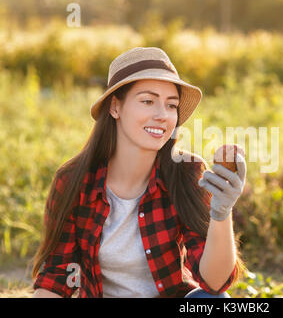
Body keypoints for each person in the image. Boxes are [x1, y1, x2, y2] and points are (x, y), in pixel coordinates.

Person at [31, 47, 247, 298]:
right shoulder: (73, 181)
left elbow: (215, 284)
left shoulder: (186, 172)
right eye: (147, 101)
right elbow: (56, 280)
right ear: (115, 108)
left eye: (171, 105)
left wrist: (221, 213)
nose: (162, 115)